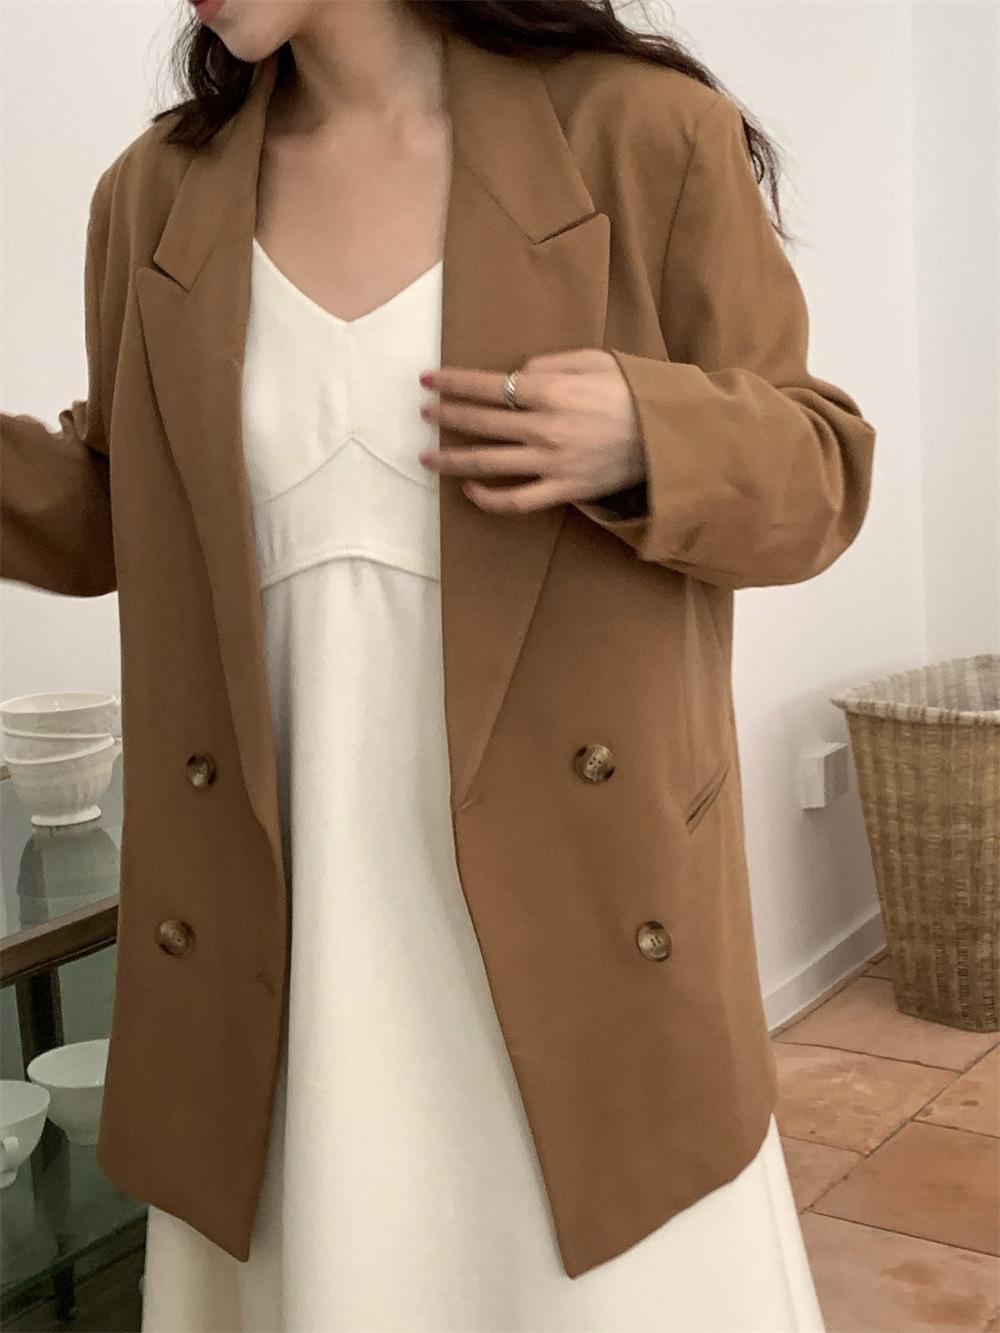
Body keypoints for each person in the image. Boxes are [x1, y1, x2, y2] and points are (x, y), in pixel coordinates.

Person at [2, 1, 877, 1329]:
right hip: (280, 935)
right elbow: (118, 500)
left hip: (575, 918)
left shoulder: (640, 134)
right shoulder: (155, 193)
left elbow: (821, 475)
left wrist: (650, 433)